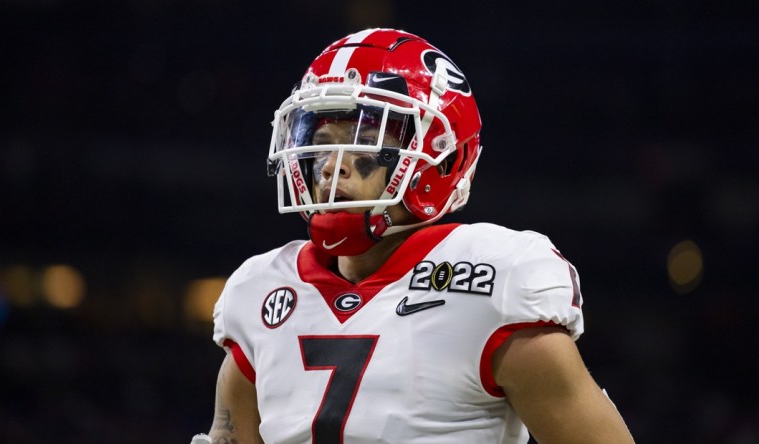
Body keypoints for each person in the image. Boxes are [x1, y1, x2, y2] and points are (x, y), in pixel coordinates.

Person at [192, 28, 634, 444]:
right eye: (322, 141)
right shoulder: (260, 292)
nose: (331, 165)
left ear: (440, 160)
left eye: (364, 140)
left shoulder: (495, 281)